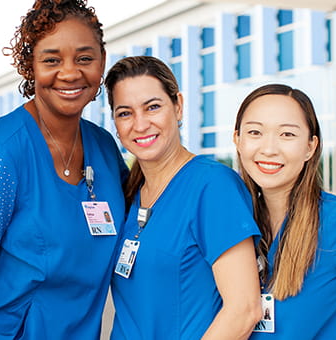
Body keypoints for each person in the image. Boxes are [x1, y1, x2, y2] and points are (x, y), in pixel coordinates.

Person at [0, 0, 127, 339]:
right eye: (51, 60)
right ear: (29, 67)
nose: (70, 73)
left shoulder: (105, 149)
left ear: (102, 62)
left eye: (84, 58)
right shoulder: (0, 155)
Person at [104, 55, 262, 339]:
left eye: (152, 107)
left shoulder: (213, 186)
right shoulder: (129, 194)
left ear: (178, 106)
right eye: (125, 113)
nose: (140, 125)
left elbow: (244, 310)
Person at [233, 83, 336, 339]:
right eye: (255, 132)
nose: (268, 148)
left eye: (287, 135)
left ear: (310, 147)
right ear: (237, 139)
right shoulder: (235, 218)